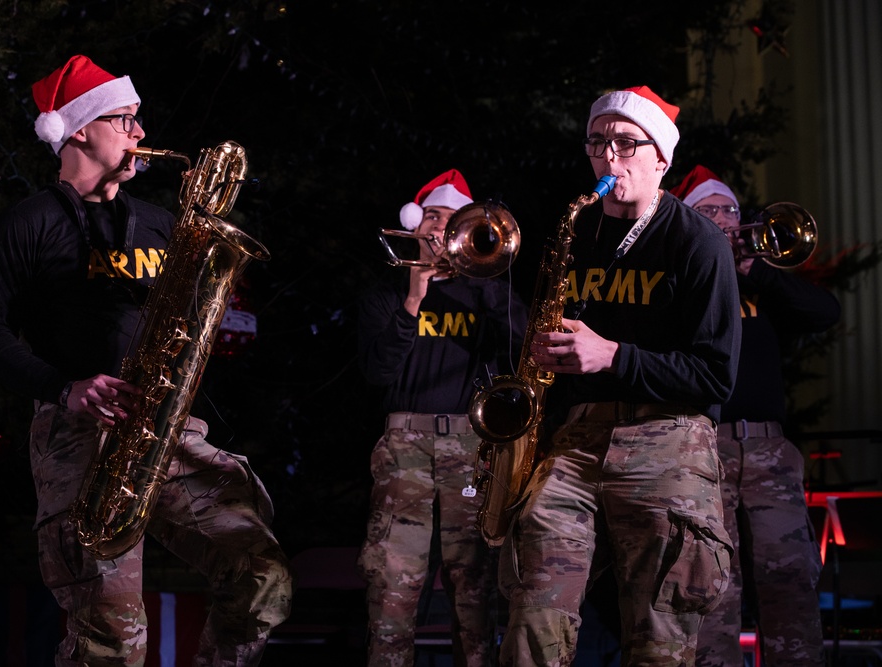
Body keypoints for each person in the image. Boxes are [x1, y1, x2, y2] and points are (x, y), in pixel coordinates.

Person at [0, 54, 292, 666]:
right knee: (110, 639)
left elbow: (197, 315)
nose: (142, 135)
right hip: (81, 434)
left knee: (261, 576)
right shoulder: (27, 224)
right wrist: (65, 388)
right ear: (81, 129)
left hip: (168, 431)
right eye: (126, 120)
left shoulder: (163, 224)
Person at [498, 86, 742, 666]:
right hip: (580, 439)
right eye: (598, 142)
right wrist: (546, 353)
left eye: (627, 144)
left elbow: (715, 377)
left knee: (659, 636)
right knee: (533, 607)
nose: (610, 158)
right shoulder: (576, 232)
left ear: (661, 158)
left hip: (668, 440)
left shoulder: (698, 242)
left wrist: (613, 357)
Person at [357, 169, 529, 666]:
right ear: (413, 225)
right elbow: (376, 372)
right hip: (402, 448)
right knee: (391, 589)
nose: (440, 228)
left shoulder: (485, 295)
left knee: (474, 590)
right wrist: (412, 301)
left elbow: (524, 345)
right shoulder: (385, 295)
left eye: (454, 221)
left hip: (470, 448)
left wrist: (482, 277)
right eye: (432, 216)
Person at [671, 165, 839, 667]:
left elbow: (824, 313)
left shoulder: (761, 286)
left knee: (789, 579)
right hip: (705, 449)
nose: (725, 219)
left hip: (769, 452)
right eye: (710, 211)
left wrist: (755, 271)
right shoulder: (679, 278)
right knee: (713, 586)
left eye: (731, 211)